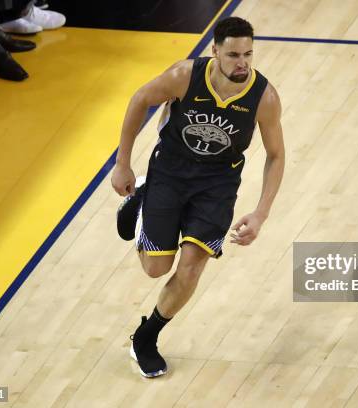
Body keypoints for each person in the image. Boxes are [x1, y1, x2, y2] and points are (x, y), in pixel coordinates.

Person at [111, 16, 285, 378]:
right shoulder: (184, 76)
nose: (243, 63)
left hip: (216, 187)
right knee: (155, 268)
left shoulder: (263, 97)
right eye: (234, 54)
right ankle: (141, 198)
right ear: (215, 51)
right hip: (170, 174)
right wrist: (122, 164)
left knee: (191, 267)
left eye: (249, 54)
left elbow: (276, 154)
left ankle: (146, 338)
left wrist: (261, 213)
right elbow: (140, 99)